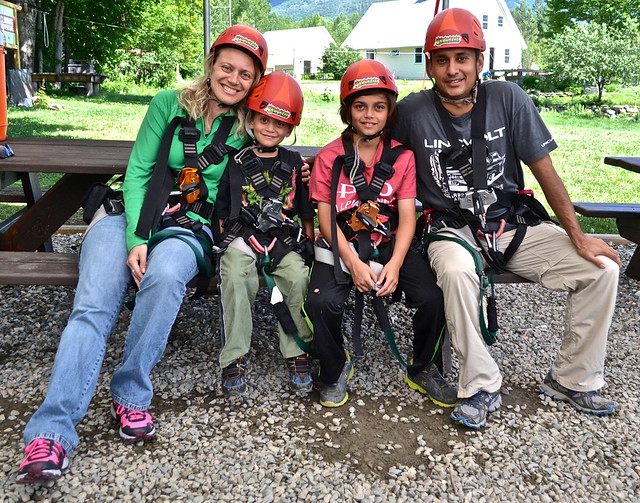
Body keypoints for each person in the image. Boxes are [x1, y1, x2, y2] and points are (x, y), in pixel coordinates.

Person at [16, 24, 268, 484]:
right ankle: (50, 431)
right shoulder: (166, 105)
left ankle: (131, 393)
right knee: (93, 306)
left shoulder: (249, 129)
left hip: (189, 225)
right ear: (211, 65)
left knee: (168, 274)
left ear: (256, 82)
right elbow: (138, 172)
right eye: (226, 67)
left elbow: (270, 169)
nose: (233, 78)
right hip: (127, 214)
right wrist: (135, 238)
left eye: (245, 74)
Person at [393, 8, 621, 429]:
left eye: (463, 58)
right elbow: (370, 146)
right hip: (451, 229)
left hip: (512, 225)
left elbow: (544, 170)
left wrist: (579, 236)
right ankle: (480, 384)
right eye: (441, 60)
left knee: (601, 268)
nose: (453, 69)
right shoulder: (411, 112)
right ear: (429, 65)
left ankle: (573, 378)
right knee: (459, 272)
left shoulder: (508, 99)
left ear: (481, 61)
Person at [304, 60, 456, 408]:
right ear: (348, 111)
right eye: (360, 106)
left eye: (378, 107)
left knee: (434, 297)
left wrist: (397, 263)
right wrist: (353, 263)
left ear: (390, 111)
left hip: (388, 242)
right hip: (341, 245)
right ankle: (334, 367)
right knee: (320, 301)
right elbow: (325, 219)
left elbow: (407, 216)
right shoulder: (330, 158)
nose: (369, 115)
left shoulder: (401, 158)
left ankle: (421, 368)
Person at [215, 71, 316, 396]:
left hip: (283, 243)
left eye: (280, 124)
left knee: (299, 278)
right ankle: (235, 355)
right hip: (242, 239)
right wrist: (227, 241)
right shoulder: (236, 161)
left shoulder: (295, 164)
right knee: (234, 276)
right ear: (251, 119)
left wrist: (309, 240)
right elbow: (223, 207)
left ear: (289, 129)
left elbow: (304, 210)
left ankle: (296, 348)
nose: (270, 128)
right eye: (263, 120)